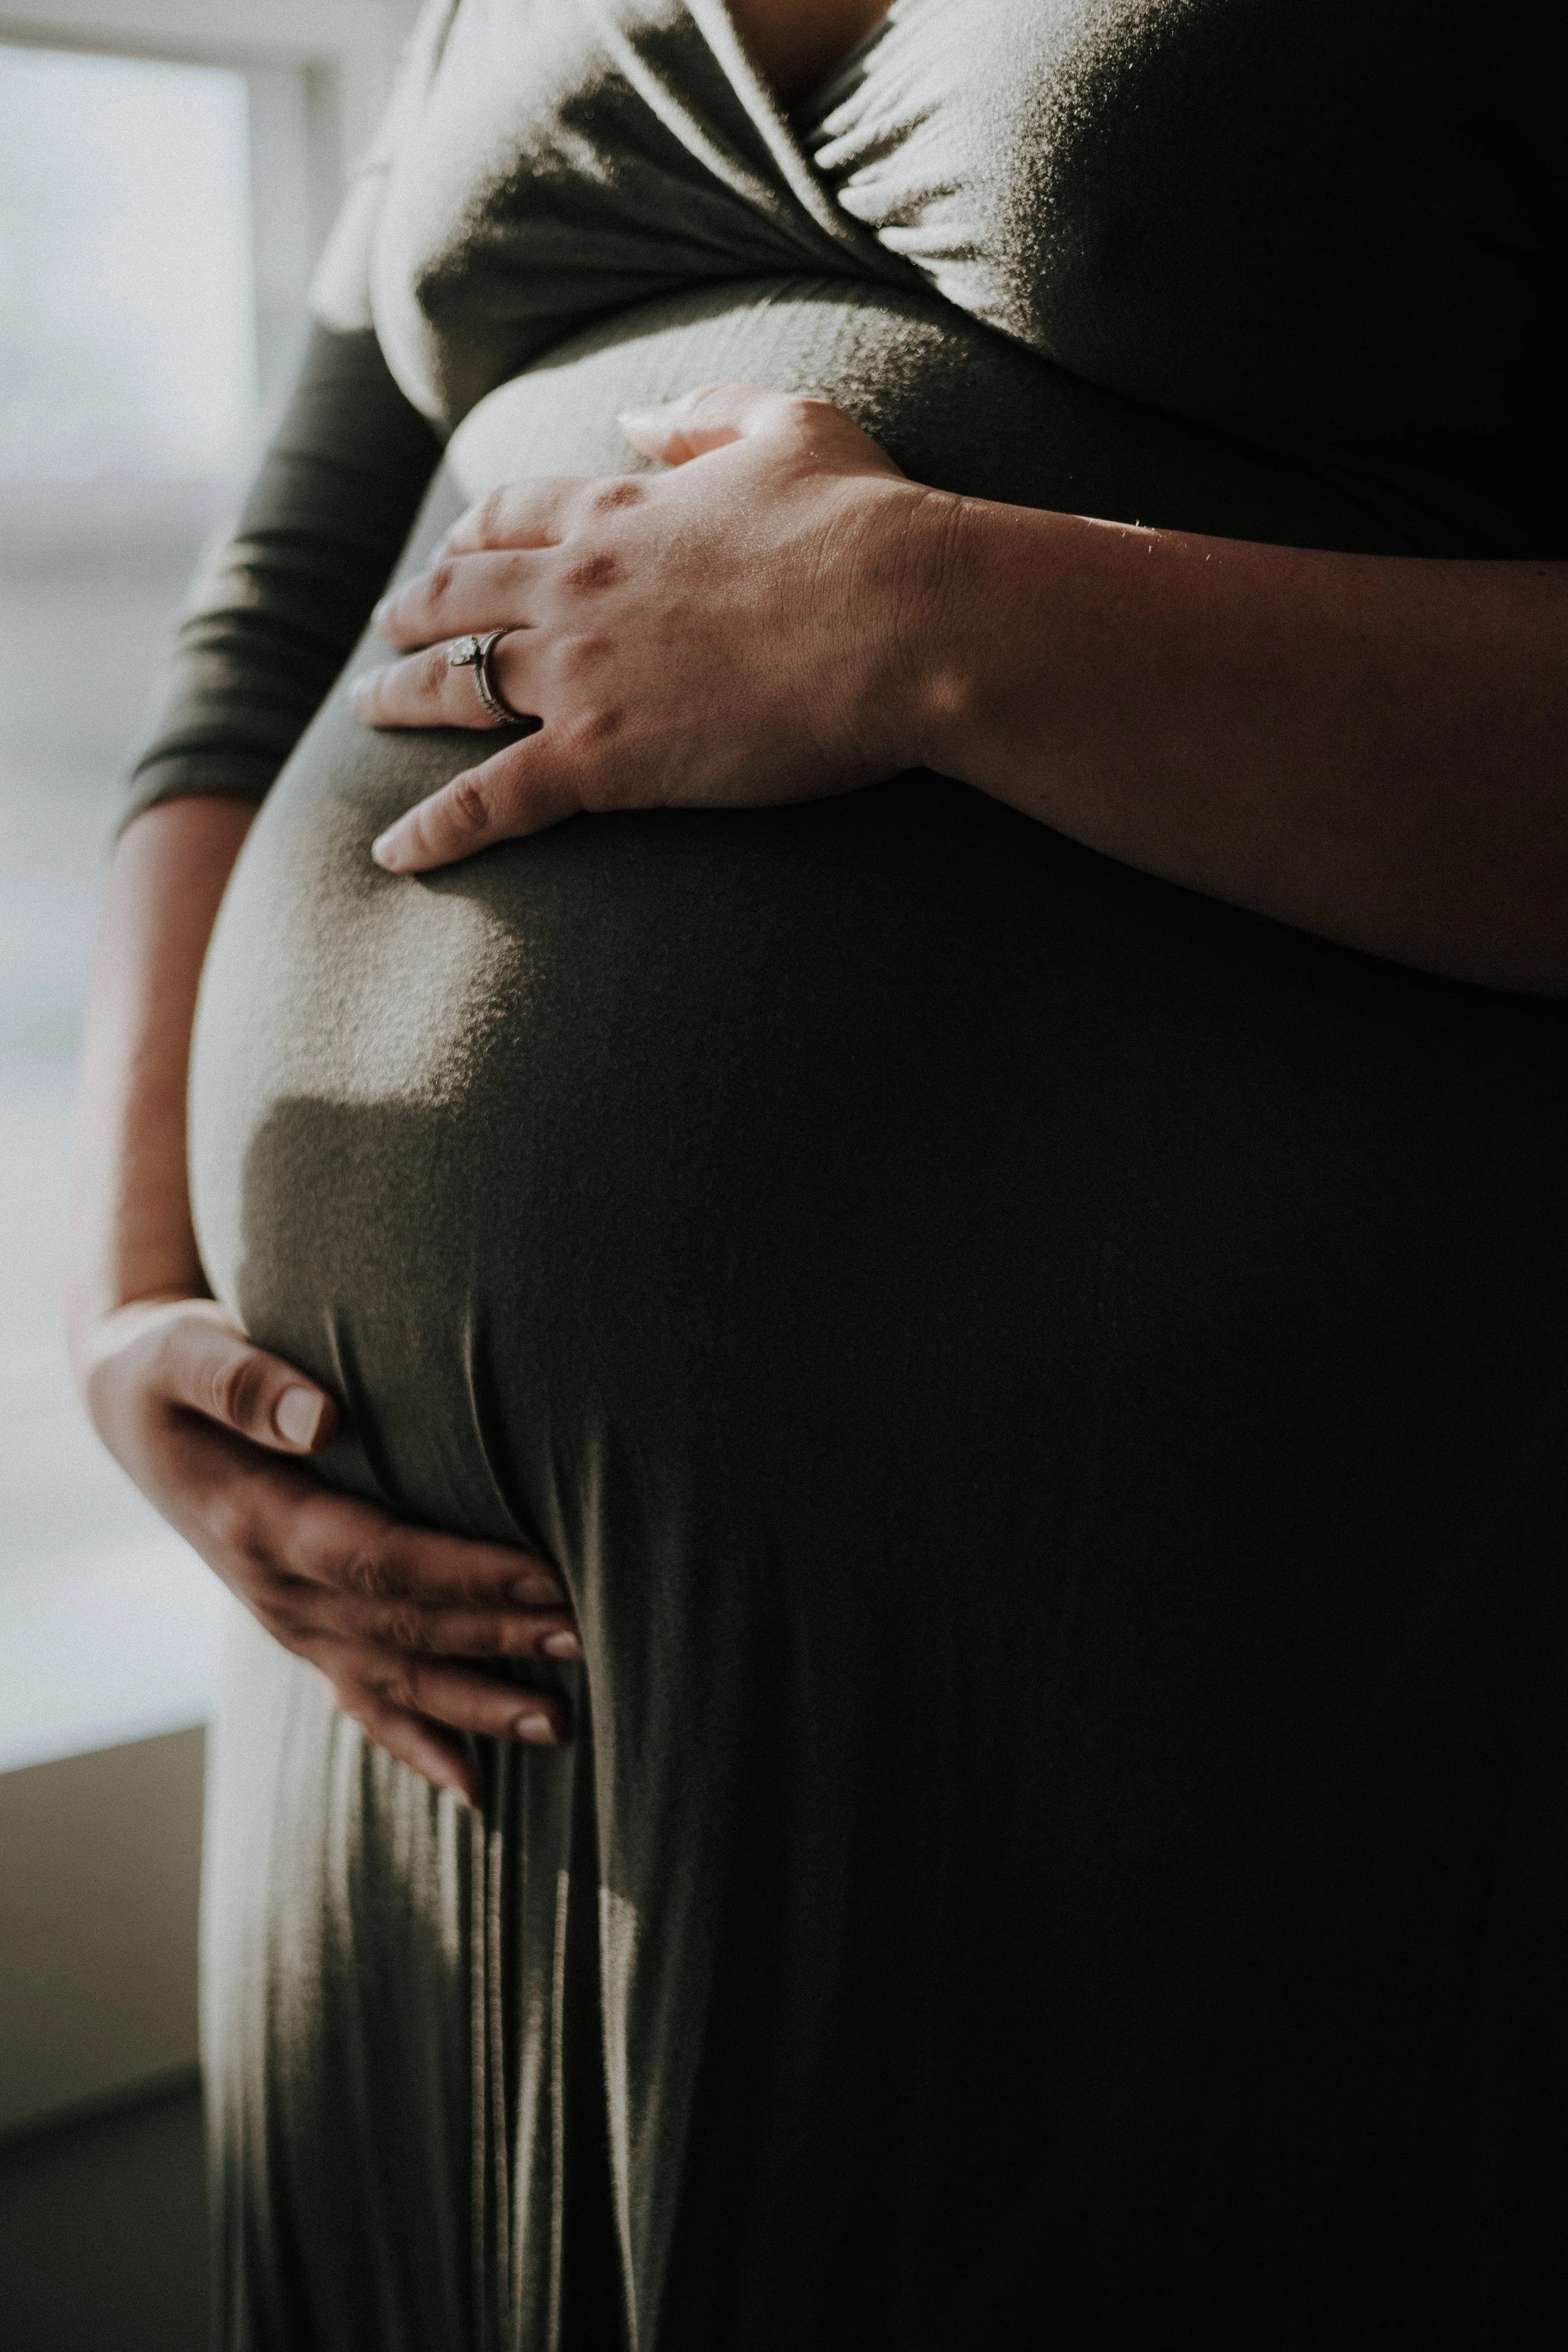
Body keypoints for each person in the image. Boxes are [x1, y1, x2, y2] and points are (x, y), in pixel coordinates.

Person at [68, 0, 1568, 2343]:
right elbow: (261, 640)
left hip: (1164, 1643)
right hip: (399, 1693)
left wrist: (933, 619)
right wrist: (128, 1293)